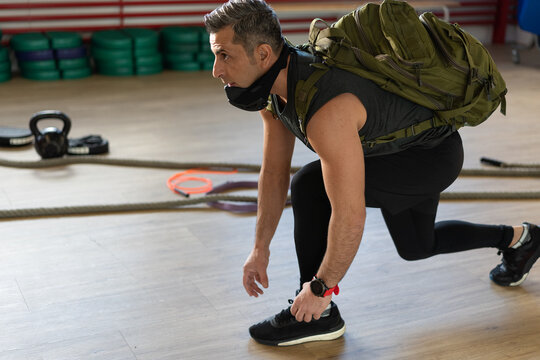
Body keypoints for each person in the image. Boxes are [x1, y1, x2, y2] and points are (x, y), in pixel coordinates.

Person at [203, 0, 540, 347]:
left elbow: (350, 216)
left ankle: (318, 316)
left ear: (262, 55)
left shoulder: (326, 111)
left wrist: (321, 288)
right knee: (417, 246)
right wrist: (260, 249)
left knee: (309, 184)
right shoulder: (275, 92)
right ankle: (522, 239)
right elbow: (273, 173)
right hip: (395, 149)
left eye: (224, 55)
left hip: (428, 157)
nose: (216, 69)